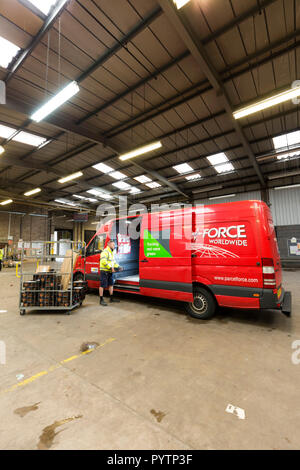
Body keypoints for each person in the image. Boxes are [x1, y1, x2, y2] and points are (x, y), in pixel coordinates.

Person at [99, 240, 122, 306]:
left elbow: (113, 262)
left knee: (111, 284)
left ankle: (111, 298)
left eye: (114, 245)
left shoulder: (111, 253)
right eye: (113, 245)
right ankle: (101, 300)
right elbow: (103, 261)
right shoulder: (105, 252)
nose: (114, 246)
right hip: (104, 271)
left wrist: (118, 267)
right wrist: (110, 268)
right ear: (109, 244)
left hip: (109, 271)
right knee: (102, 285)